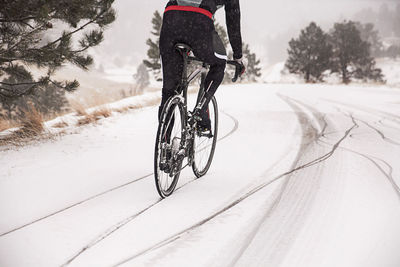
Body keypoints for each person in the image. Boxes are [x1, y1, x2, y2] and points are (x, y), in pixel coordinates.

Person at [159, 0, 245, 131]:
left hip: (171, 19)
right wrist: (238, 56)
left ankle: (164, 144)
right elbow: (233, 20)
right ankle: (202, 109)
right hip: (199, 22)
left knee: (169, 92)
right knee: (219, 62)